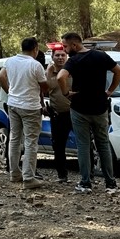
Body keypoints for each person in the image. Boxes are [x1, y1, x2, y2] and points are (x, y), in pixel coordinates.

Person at [57, 32, 120, 194]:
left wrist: (66, 93)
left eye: (65, 46)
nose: (64, 50)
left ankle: (85, 182)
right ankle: (110, 183)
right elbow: (119, 71)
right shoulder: (101, 56)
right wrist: (109, 91)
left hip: (79, 108)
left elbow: (61, 77)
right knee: (103, 144)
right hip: (100, 107)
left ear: (74, 45)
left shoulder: (73, 61)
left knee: (83, 145)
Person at [0, 37, 49, 189]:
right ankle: (28, 178)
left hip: (13, 104)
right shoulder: (35, 65)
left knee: (14, 138)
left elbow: (0, 76)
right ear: (35, 49)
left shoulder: (10, 61)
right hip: (30, 107)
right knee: (31, 141)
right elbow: (44, 86)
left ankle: (14, 173)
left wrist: (10, 91)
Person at [45, 45, 72, 183]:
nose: (60, 58)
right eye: (57, 55)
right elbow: (43, 90)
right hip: (57, 115)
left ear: (67, 56)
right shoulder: (49, 72)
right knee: (59, 146)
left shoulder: (73, 70)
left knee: (84, 144)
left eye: (63, 55)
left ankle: (89, 175)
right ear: (52, 57)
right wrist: (49, 73)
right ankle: (62, 175)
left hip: (75, 114)